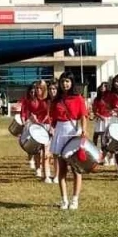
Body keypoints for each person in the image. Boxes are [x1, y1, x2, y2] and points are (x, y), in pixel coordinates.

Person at [50, 72, 90, 210]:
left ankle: (75, 200)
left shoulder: (78, 98)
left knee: (76, 169)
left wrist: (84, 130)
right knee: (62, 169)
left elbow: (83, 116)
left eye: (67, 81)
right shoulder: (56, 100)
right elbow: (53, 119)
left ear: (72, 82)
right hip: (60, 132)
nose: (65, 84)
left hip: (73, 132)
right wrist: (51, 128)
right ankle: (64, 199)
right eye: (62, 82)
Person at [20, 81, 51, 178]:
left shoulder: (48, 100)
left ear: (44, 89)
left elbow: (49, 113)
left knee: (46, 151)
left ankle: (46, 171)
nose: (38, 90)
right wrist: (32, 119)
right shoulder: (31, 101)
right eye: (37, 88)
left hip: (47, 125)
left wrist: (42, 120)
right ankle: (38, 169)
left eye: (40, 88)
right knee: (37, 150)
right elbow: (29, 112)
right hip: (36, 127)